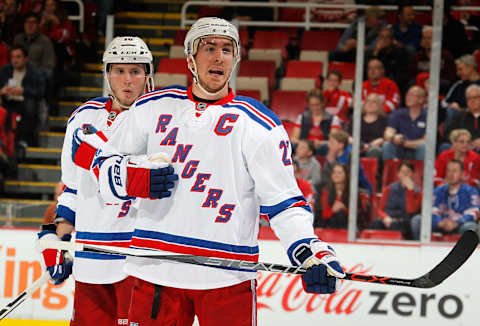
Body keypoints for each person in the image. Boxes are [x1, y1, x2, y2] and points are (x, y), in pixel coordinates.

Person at [88, 17, 345, 325]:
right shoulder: (152, 107)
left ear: (235, 58)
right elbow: (100, 162)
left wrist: (309, 251)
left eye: (227, 49)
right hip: (155, 271)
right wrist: (126, 178)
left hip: (227, 279)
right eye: (208, 47)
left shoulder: (259, 124)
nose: (219, 56)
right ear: (190, 58)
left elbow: (284, 202)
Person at [37, 36, 177, 326]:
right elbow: (73, 189)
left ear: (148, 74)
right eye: (119, 71)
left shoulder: (164, 119)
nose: (128, 80)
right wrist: (58, 239)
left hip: (139, 262)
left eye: (136, 71)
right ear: (107, 73)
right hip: (90, 260)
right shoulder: (83, 118)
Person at [411, 159, 479, 240]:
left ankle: (463, 251)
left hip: (460, 226)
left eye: (455, 171)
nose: (451, 174)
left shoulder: (470, 191)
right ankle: (422, 249)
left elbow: (474, 211)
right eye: (448, 171)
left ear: (462, 174)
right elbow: (431, 209)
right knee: (417, 220)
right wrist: (439, 222)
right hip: (440, 225)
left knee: (470, 227)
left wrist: (457, 222)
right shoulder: (438, 191)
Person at [0, 45, 46, 148]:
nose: (15, 60)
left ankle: (23, 139)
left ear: (26, 58)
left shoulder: (35, 72)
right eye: (13, 57)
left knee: (30, 105)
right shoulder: (4, 71)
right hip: (7, 102)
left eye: (18, 57)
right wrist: (2, 91)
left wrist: (24, 91)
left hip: (24, 103)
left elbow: (41, 92)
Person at [370, 161, 422, 239]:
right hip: (388, 219)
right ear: (398, 174)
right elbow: (380, 210)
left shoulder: (418, 192)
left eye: (408, 171)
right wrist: (385, 217)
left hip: (404, 222)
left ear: (412, 174)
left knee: (395, 225)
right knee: (376, 223)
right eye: (403, 171)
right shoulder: (389, 189)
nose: (405, 174)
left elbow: (411, 210)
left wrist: (410, 190)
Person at [291, 88, 342, 155]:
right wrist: (305, 144)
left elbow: (334, 140)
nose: (314, 108)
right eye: (312, 105)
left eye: (317, 105)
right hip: (305, 147)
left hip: (322, 146)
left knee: (328, 147)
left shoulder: (333, 119)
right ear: (308, 105)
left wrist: (320, 143)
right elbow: (294, 138)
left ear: (323, 103)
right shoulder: (301, 117)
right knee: (292, 145)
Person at [321, 129, 373, 194]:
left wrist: (332, 163)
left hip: (359, 189)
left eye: (332, 143)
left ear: (341, 145)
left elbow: (345, 177)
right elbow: (325, 177)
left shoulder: (351, 156)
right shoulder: (331, 155)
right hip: (335, 188)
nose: (328, 145)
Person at [383, 85, 426, 161]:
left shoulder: (428, 116)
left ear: (421, 99)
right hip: (400, 149)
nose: (408, 97)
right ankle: (389, 171)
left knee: (424, 146)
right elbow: (388, 133)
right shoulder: (398, 114)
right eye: (407, 94)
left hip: (416, 150)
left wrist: (405, 143)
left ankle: (422, 172)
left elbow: (427, 140)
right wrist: (393, 137)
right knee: (387, 145)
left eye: (412, 95)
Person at [408, 26, 456, 92]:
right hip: (421, 85)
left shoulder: (446, 55)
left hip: (440, 85)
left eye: (429, 38)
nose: (426, 41)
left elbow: (450, 77)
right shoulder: (417, 56)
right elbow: (412, 75)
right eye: (424, 38)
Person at [365, 26, 410, 95]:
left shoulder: (400, 52)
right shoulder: (372, 52)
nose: (384, 40)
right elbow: (368, 69)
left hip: (393, 82)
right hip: (374, 81)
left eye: (387, 37)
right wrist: (376, 52)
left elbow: (401, 73)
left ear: (392, 40)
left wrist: (385, 82)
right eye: (381, 37)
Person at [442, 54, 480, 121]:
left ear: (470, 67)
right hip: (460, 119)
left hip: (477, 116)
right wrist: (452, 105)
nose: (458, 73)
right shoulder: (458, 85)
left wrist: (463, 110)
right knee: (451, 110)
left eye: (460, 69)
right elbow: (444, 103)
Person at [351, 93, 387, 162]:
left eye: (374, 102)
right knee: (352, 151)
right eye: (368, 101)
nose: (370, 104)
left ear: (379, 105)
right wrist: (360, 145)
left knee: (374, 150)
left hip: (376, 147)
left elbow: (386, 137)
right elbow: (348, 136)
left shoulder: (384, 119)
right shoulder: (356, 118)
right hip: (358, 146)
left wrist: (371, 145)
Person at [444, 84, 480, 153]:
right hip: (461, 150)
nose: (472, 101)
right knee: (445, 146)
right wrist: (462, 143)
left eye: (475, 97)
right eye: (469, 98)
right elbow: (448, 133)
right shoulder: (459, 115)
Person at [319, 163, 350, 229]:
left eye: (339, 173)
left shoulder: (352, 193)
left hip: (348, 225)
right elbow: (323, 215)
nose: (336, 175)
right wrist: (332, 210)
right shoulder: (326, 192)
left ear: (346, 175)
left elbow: (357, 216)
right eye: (334, 172)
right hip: (329, 223)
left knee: (341, 214)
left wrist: (344, 208)